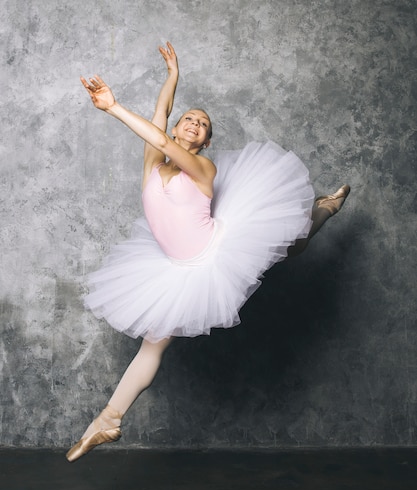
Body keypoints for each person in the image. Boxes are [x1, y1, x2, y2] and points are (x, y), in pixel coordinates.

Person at [66, 42, 350, 462]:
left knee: (294, 244)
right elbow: (159, 120)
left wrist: (113, 107)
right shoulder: (152, 165)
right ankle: (108, 420)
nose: (195, 124)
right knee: (153, 344)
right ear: (180, 128)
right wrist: (171, 78)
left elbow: (159, 132)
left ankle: (324, 209)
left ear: (205, 140)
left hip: (215, 252)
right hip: (173, 267)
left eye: (203, 124)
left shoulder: (203, 169)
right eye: (189, 119)